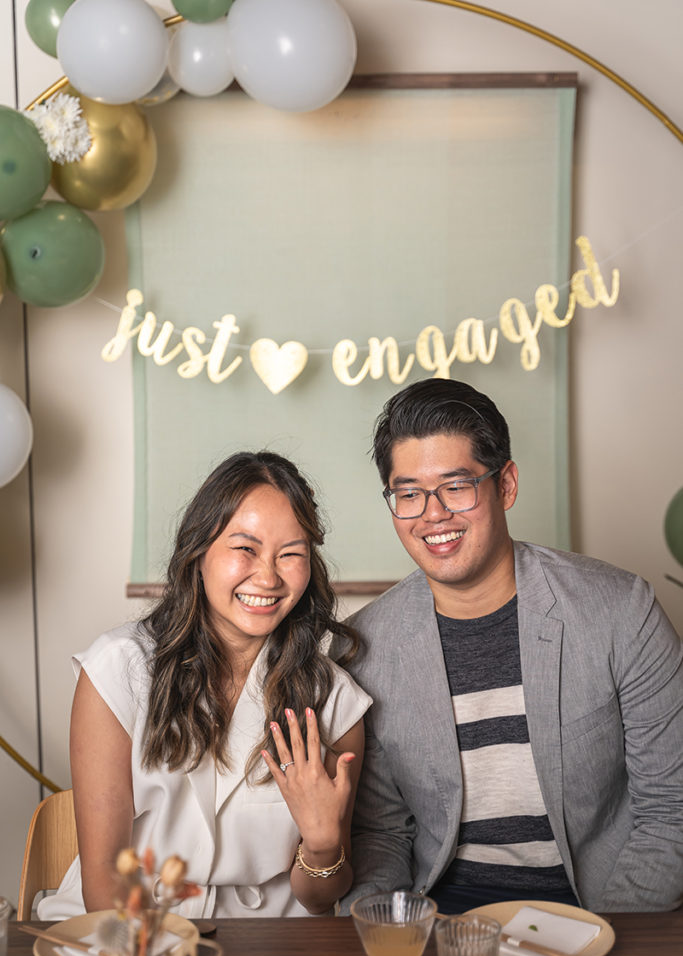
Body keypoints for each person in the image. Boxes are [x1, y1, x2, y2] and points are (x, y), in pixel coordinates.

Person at [332, 378, 683, 914]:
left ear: (507, 485)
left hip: (598, 912)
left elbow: (670, 811)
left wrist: (610, 946)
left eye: (456, 486)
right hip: (443, 921)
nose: (432, 514)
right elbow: (382, 835)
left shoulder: (619, 611)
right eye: (409, 494)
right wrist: (384, 933)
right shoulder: (367, 649)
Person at [39, 451, 371, 920]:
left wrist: (322, 845)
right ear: (199, 554)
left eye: (291, 554)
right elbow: (106, 879)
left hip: (268, 947)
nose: (268, 576)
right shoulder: (117, 671)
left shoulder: (334, 701)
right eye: (245, 548)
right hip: (127, 928)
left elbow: (320, 897)